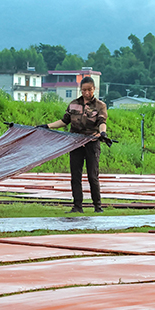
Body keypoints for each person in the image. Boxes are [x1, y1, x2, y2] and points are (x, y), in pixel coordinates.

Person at [41, 76, 108, 213]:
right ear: (80, 90)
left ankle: (98, 206)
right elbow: (65, 121)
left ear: (94, 89)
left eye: (89, 90)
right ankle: (77, 206)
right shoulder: (73, 104)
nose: (86, 93)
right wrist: (47, 126)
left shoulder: (100, 106)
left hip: (92, 142)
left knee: (92, 176)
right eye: (84, 90)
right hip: (76, 143)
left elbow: (102, 122)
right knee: (75, 176)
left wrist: (103, 133)